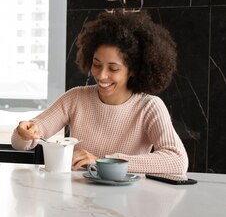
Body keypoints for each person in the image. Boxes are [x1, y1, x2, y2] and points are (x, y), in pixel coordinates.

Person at [12, 10, 188, 174]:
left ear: (133, 70)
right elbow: (22, 143)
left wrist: (103, 161)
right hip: (78, 201)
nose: (101, 75)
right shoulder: (76, 98)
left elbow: (177, 161)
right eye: (96, 65)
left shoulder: (149, 107)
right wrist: (24, 132)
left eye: (113, 68)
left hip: (129, 203)